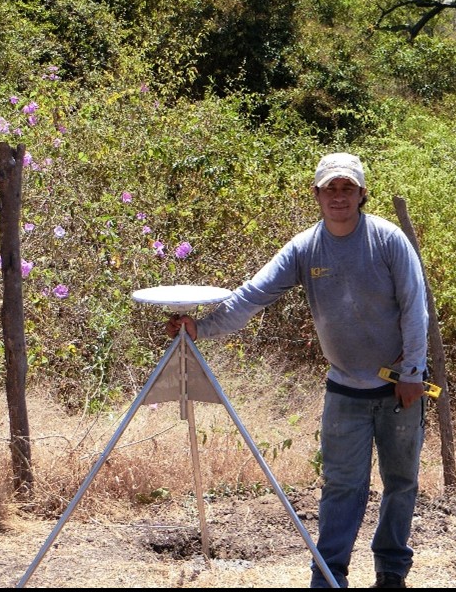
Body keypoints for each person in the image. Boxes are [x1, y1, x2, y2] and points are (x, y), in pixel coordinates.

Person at [166, 152, 429, 589]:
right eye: (331, 189)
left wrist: (414, 373)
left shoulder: (388, 240)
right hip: (345, 390)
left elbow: (414, 309)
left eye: (347, 189)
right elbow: (252, 296)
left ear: (362, 194)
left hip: (399, 387)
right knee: (342, 486)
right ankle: (329, 576)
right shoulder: (305, 248)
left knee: (401, 482)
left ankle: (391, 571)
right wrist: (200, 328)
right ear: (317, 195)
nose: (339, 197)